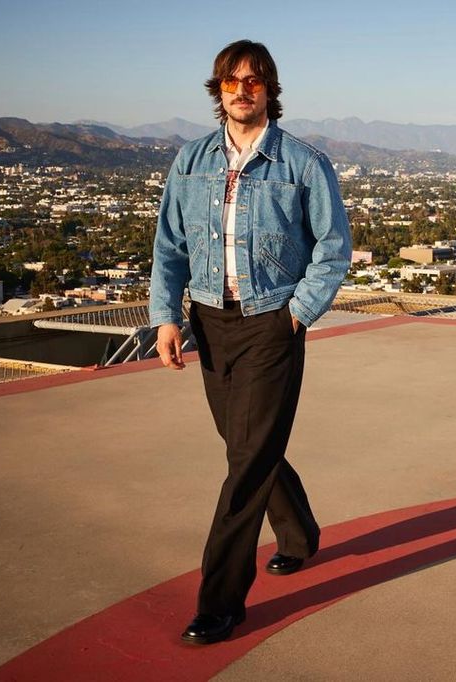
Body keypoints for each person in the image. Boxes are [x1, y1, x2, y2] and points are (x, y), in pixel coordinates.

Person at [149, 39, 351, 645]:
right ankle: (299, 533)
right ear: (219, 91)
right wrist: (167, 318)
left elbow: (333, 248)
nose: (243, 89)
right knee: (245, 446)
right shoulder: (190, 160)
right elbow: (170, 247)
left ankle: (220, 601)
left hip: (271, 322)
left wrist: (298, 314)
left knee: (244, 467)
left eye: (254, 80)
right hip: (210, 322)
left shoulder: (302, 164)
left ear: (270, 89)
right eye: (232, 81)